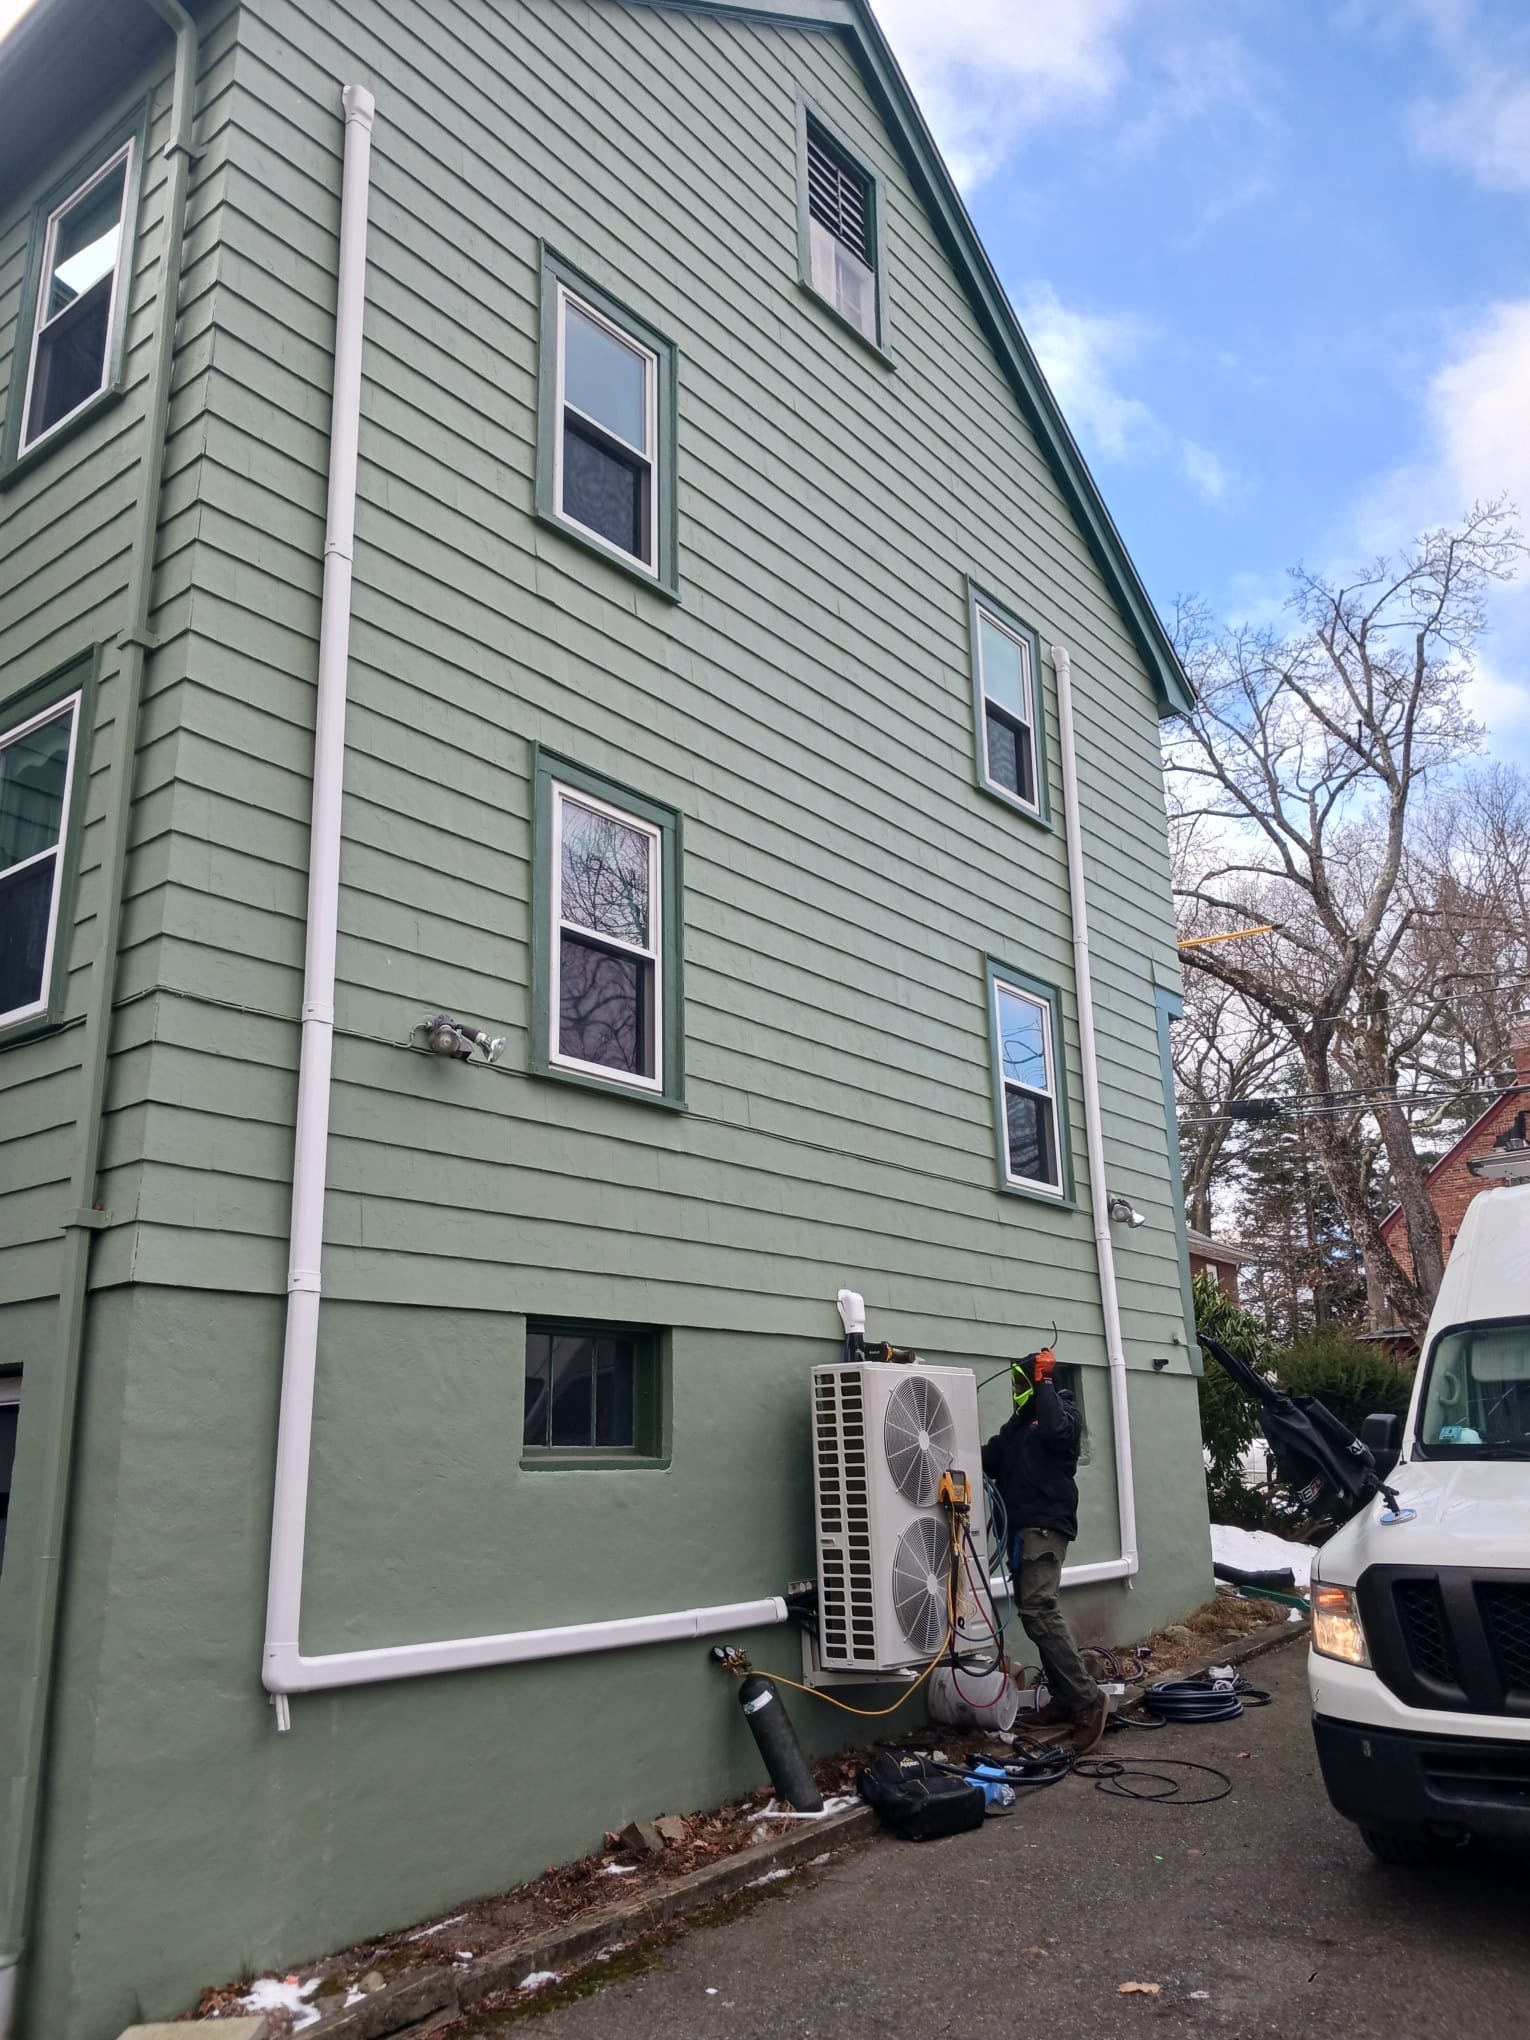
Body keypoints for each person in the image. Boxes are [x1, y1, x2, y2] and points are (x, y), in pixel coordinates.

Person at [981, 1348, 1109, 1753]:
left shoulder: (1061, 1414)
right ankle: (1066, 1696)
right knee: (1035, 1614)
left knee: (1039, 1611)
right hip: (1021, 1532)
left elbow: (1057, 1431)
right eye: (1018, 1384)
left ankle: (1088, 1699)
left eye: (1023, 1382)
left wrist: (1046, 1382)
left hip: (1045, 1528)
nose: (1018, 1390)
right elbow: (985, 1459)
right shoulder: (1016, 1428)